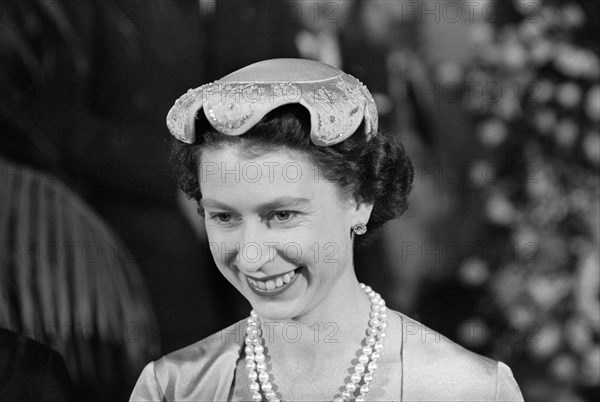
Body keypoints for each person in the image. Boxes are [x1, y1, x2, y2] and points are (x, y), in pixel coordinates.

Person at [130, 58, 523, 401]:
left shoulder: (466, 389)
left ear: (360, 199)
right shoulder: (174, 388)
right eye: (224, 217)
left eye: (282, 215)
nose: (250, 254)